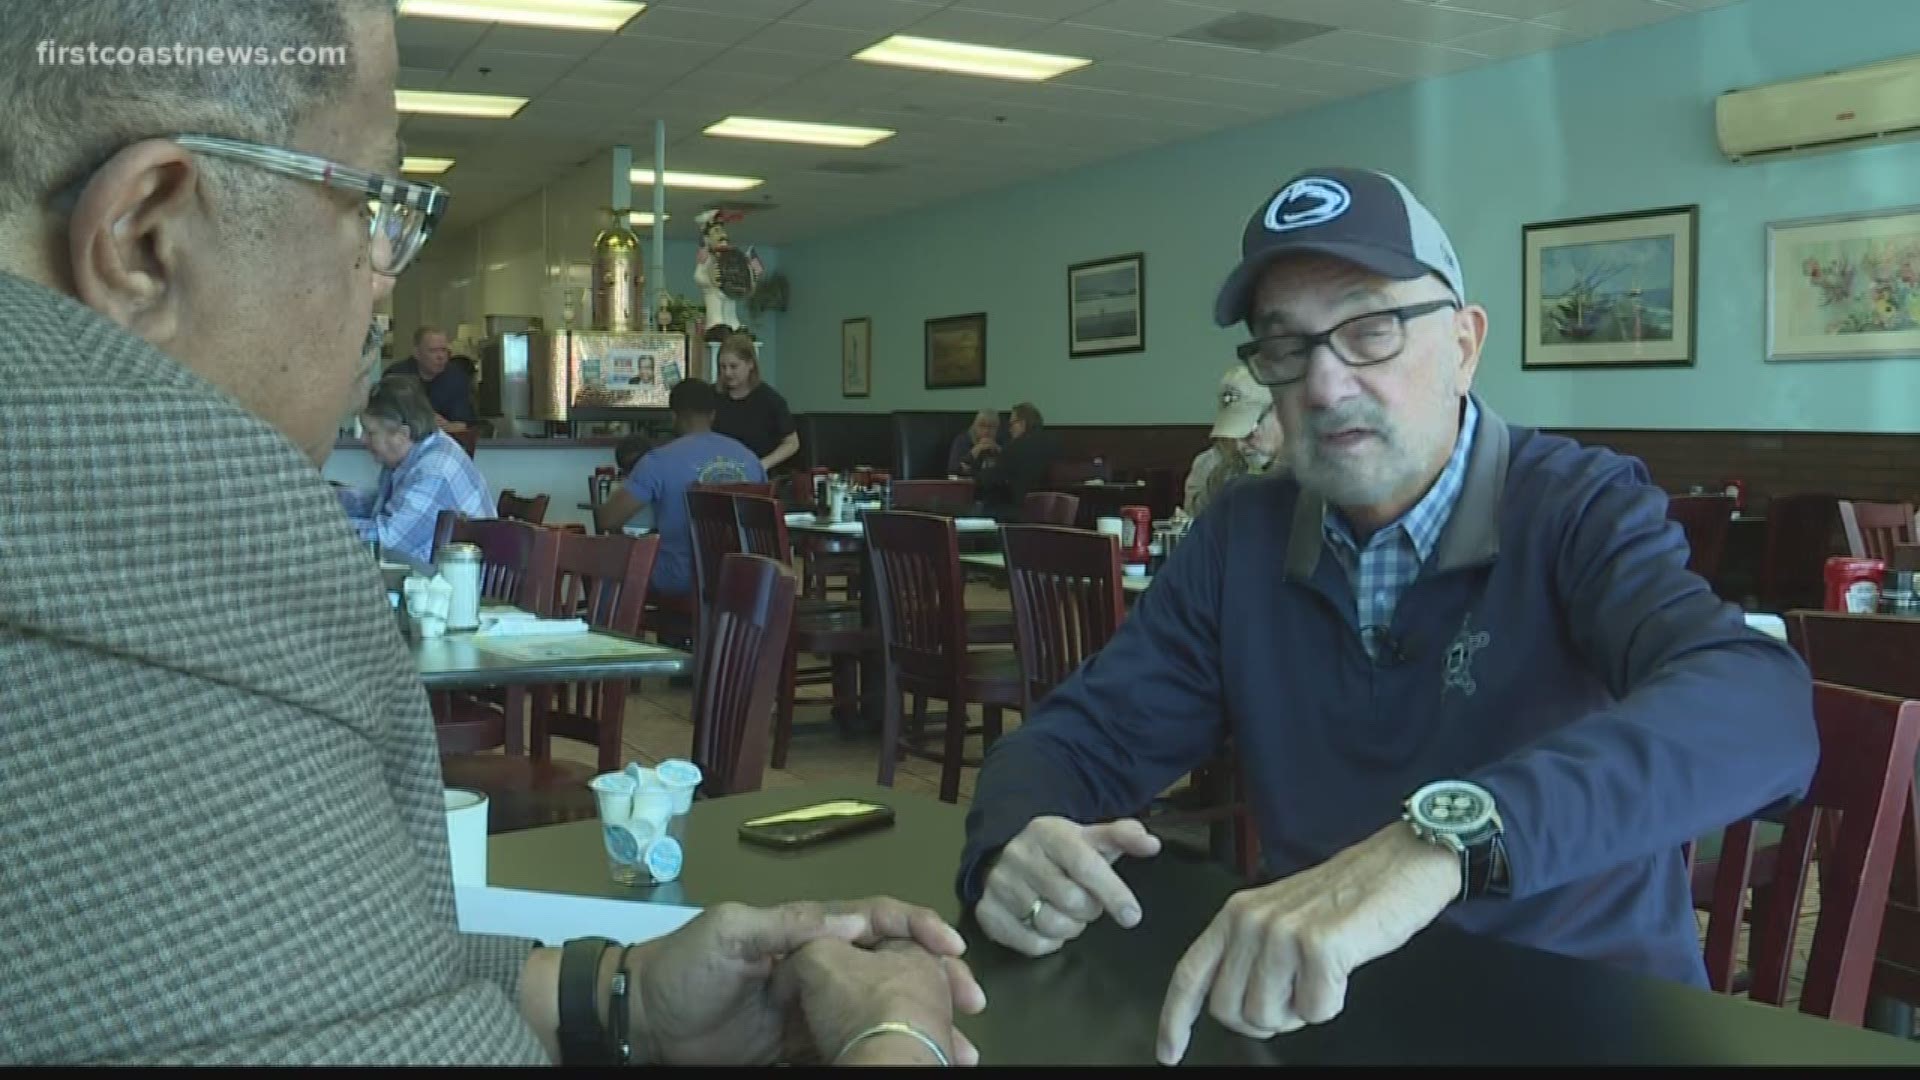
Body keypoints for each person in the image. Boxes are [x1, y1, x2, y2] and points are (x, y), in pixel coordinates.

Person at [0, 0, 977, 1064]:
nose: (384, 274)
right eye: (372, 205)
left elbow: (333, 968)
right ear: (151, 239)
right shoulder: (144, 527)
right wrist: (896, 1036)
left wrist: (621, 991)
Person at [956, 167, 1818, 1064]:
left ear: (1464, 344)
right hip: (1324, 1019)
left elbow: (1762, 706)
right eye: (1285, 347)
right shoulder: (1239, 540)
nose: (1324, 386)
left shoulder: (1576, 508)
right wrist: (1019, 836)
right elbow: (1071, 744)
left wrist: (1446, 840)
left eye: (1370, 330)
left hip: (1581, 1019)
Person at [597, 378, 765, 598]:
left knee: (608, 561)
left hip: (681, 577)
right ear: (713, 415)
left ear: (673, 416)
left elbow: (608, 519)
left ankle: (606, 631)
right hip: (743, 577)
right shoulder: (750, 459)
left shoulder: (658, 461)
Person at [335, 375, 496, 567]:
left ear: (402, 435)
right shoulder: (414, 456)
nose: (362, 440)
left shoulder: (434, 470)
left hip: (461, 589)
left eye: (370, 433)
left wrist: (324, 527)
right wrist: (329, 499)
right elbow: (384, 507)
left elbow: (389, 541)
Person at [1184, 365, 1286, 517]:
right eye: (1233, 435)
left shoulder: (1314, 475)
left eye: (1249, 432)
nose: (1239, 447)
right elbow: (1198, 521)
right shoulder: (1227, 468)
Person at [711, 332, 799, 472]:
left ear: (750, 364)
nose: (727, 373)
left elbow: (792, 443)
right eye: (723, 367)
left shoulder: (770, 400)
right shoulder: (711, 397)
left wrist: (762, 465)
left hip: (758, 480)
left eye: (733, 366)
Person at [975, 402, 1062, 519]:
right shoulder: (1054, 443)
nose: (1009, 429)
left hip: (1017, 512)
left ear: (1022, 424)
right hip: (1048, 511)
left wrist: (979, 473)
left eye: (1011, 424)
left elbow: (990, 480)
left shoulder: (1015, 447)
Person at [385, 325, 477, 432]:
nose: (441, 356)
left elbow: (464, 423)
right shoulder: (396, 376)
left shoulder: (457, 377)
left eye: (444, 350)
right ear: (417, 353)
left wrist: (447, 426)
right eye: (433, 351)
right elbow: (384, 419)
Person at [947, 409, 1001, 478]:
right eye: (982, 426)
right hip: (967, 485)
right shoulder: (962, 440)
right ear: (974, 426)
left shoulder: (1001, 441)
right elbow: (953, 470)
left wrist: (999, 451)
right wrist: (974, 452)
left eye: (991, 427)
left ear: (997, 429)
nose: (986, 431)